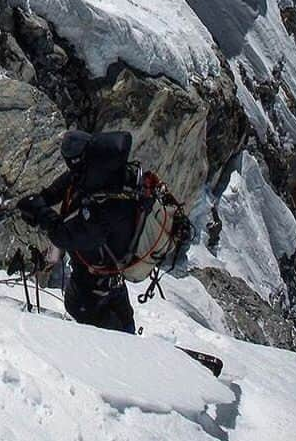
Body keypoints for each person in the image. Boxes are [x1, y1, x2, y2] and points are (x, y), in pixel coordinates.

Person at [18, 129, 187, 335]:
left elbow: (64, 235)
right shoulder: (115, 179)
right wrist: (45, 198)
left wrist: (40, 212)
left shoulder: (105, 209)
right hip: (112, 284)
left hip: (90, 292)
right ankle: (135, 348)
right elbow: (69, 182)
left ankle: (124, 358)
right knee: (124, 327)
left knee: (101, 332)